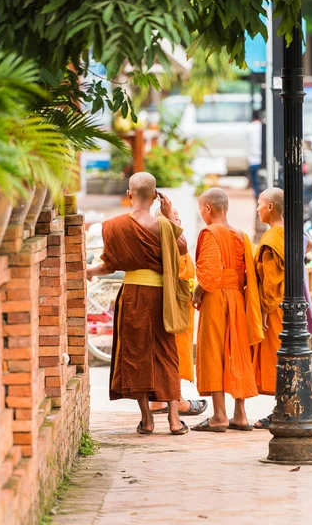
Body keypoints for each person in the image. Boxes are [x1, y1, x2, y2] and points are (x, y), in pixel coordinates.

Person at [87, 172, 189, 435]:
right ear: (156, 196)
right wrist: (170, 215)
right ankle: (175, 421)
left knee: (136, 356)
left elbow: (109, 266)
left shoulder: (115, 225)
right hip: (161, 297)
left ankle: (147, 420)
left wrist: (89, 272)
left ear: (129, 194)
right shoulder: (164, 226)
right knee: (166, 354)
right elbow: (182, 248)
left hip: (132, 295)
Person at [191, 188, 264, 432]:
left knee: (214, 352)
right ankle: (240, 414)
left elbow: (210, 275)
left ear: (208, 209)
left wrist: (198, 290)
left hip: (216, 298)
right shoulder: (241, 234)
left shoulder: (209, 232)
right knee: (237, 351)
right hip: (238, 297)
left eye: (201, 208)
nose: (201, 213)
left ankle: (219, 416)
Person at [149, 208, 208, 417]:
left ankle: (157, 401)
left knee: (161, 351)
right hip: (174, 308)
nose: (179, 221)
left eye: (178, 217)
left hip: (164, 305)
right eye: (174, 218)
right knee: (173, 352)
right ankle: (179, 401)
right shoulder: (171, 244)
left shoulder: (157, 243)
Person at [252, 187, 284, 429]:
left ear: (270, 207)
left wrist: (264, 308)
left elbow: (271, 280)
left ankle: (282, 409)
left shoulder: (272, 238)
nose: (257, 209)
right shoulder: (289, 234)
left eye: (260, 204)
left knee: (278, 357)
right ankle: (284, 407)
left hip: (276, 308)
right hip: (289, 305)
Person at [247, 110, 263, 199]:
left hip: (253, 160)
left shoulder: (249, 128)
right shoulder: (263, 127)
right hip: (261, 160)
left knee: (256, 186)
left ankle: (257, 203)